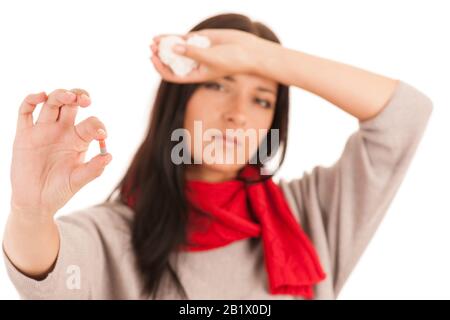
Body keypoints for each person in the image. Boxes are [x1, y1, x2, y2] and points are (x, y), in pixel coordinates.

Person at [2, 13, 433, 299]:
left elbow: (405, 115)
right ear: (180, 100)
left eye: (262, 99)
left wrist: (262, 55)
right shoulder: (112, 234)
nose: (238, 115)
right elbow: (46, 275)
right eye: (218, 85)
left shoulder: (309, 216)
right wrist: (29, 211)